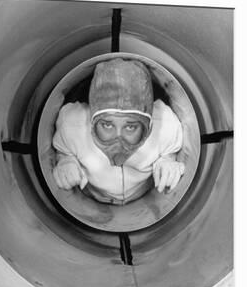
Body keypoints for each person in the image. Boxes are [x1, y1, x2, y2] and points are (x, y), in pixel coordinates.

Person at [52, 57, 185, 205]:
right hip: (90, 196)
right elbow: (63, 151)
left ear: (148, 125)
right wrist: (65, 161)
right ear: (92, 120)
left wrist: (167, 161)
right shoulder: (72, 126)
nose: (118, 140)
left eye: (130, 127)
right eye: (107, 125)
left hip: (143, 196)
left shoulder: (166, 126)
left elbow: (169, 153)